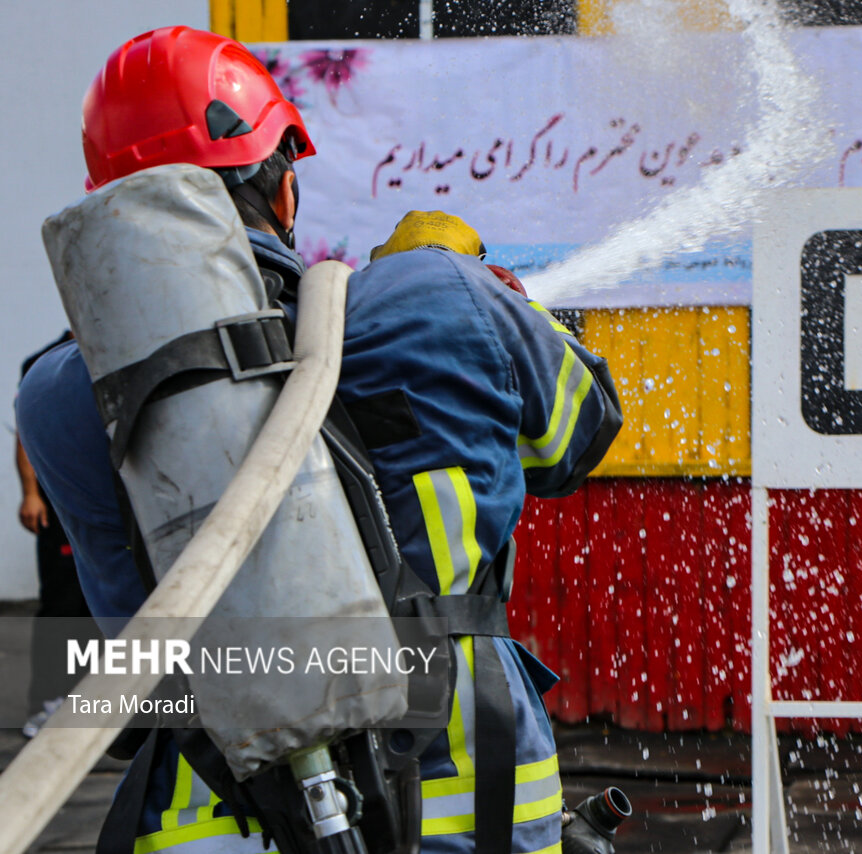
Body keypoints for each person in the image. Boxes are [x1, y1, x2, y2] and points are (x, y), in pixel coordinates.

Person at [17, 25, 622, 854]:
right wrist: (488, 295)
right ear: (285, 189)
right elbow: (579, 436)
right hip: (469, 799)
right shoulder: (439, 293)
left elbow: (134, 648)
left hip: (210, 818)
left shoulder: (60, 393)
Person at [15, 330, 97, 738]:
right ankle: (47, 705)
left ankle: (94, 703)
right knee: (62, 606)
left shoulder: (109, 350)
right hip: (60, 509)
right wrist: (31, 493)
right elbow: (26, 433)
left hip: (105, 507)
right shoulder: (45, 363)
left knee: (102, 608)